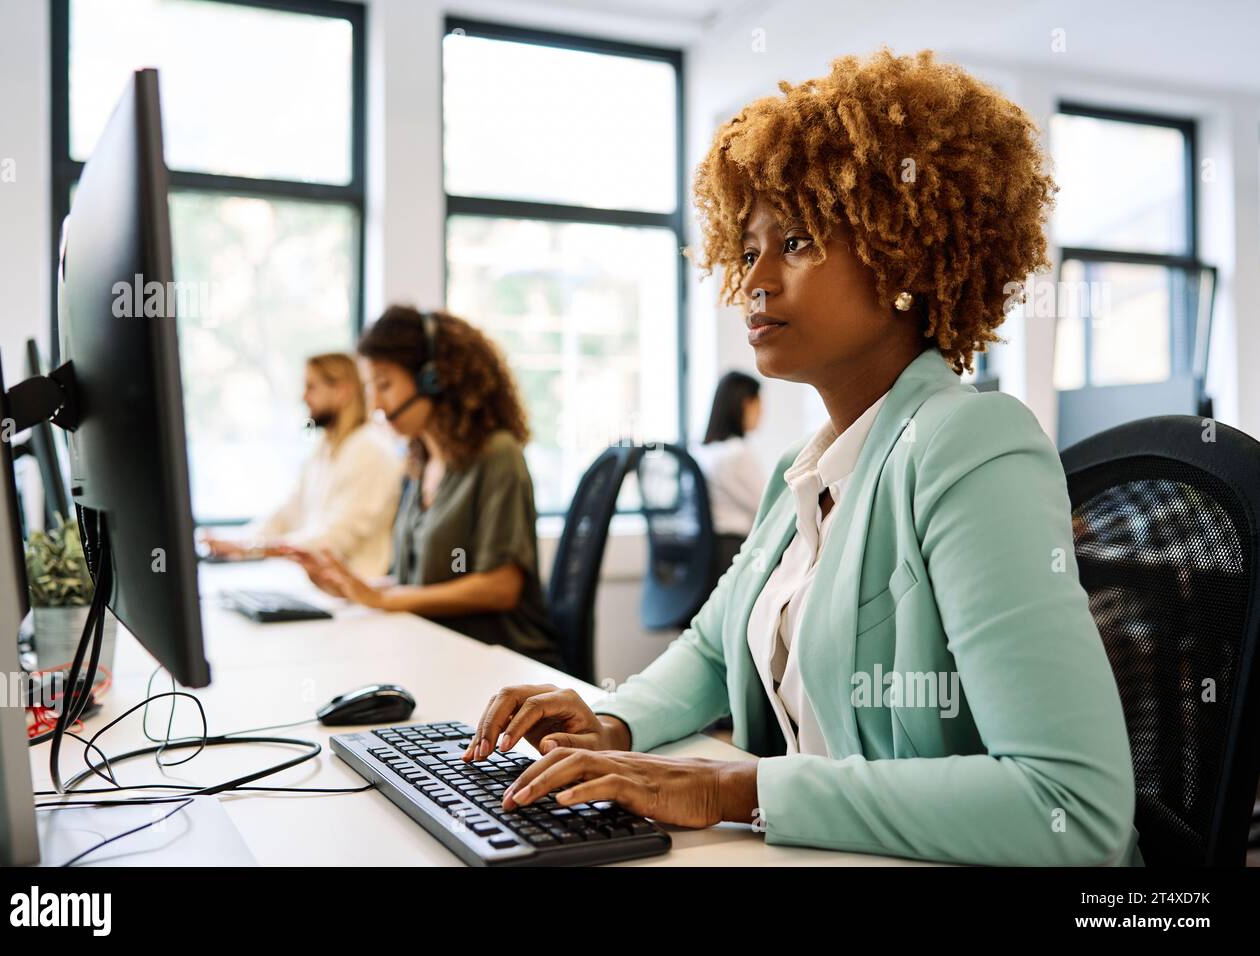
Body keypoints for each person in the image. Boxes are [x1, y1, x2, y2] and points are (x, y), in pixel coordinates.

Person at [462, 49, 1142, 866]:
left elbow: (1071, 805)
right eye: (747, 249)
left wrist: (731, 791)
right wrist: (609, 723)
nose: (756, 278)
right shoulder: (810, 466)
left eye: (797, 240)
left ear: (904, 257)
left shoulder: (971, 443)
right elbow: (714, 652)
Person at [284, 306, 564, 670]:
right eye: (372, 388)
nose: (377, 405)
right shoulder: (419, 463)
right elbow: (412, 584)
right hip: (436, 650)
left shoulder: (497, 455)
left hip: (500, 663)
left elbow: (500, 587)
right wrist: (353, 589)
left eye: (384, 385)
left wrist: (384, 601)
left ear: (433, 378)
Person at [202, 353, 402, 578]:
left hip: (355, 595)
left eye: (311, 387)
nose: (304, 397)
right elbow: (287, 513)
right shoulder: (325, 449)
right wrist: (237, 540)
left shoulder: (369, 450)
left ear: (342, 392)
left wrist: (252, 549)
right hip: (318, 587)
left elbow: (334, 538)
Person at [692, 370, 767, 571]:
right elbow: (767, 506)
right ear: (745, 404)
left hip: (706, 555)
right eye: (759, 404)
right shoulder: (738, 454)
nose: (762, 413)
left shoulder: (703, 452)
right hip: (734, 551)